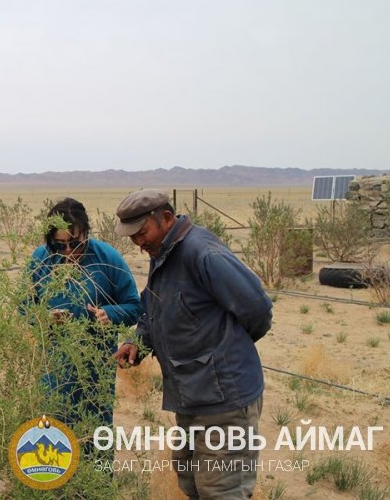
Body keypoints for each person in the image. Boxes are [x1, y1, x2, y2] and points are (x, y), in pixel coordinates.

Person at [112, 189, 273, 500]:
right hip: (192, 395)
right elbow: (153, 305)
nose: (138, 243)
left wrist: (227, 349)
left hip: (225, 400)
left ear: (167, 219)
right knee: (193, 484)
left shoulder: (203, 254)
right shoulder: (163, 252)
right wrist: (139, 341)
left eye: (142, 233)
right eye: (132, 237)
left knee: (222, 490)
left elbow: (258, 309)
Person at [27, 197, 142, 429]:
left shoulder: (107, 259)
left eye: (75, 244)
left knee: (95, 432)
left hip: (96, 369)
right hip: (53, 368)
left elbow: (134, 306)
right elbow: (24, 306)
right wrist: (43, 317)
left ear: (86, 234)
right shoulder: (40, 261)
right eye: (59, 245)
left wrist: (111, 313)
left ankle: (99, 467)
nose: (68, 252)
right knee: (54, 435)